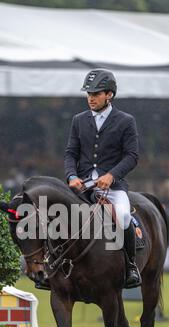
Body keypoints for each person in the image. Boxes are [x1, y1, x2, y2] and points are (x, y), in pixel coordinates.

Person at [64, 69, 141, 288]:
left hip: (113, 187)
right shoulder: (79, 120)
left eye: (96, 93)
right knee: (56, 214)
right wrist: (71, 176)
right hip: (82, 187)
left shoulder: (126, 121)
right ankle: (53, 265)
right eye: (88, 93)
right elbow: (71, 153)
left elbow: (132, 156)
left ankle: (131, 265)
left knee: (124, 217)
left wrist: (112, 175)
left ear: (109, 95)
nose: (90, 97)